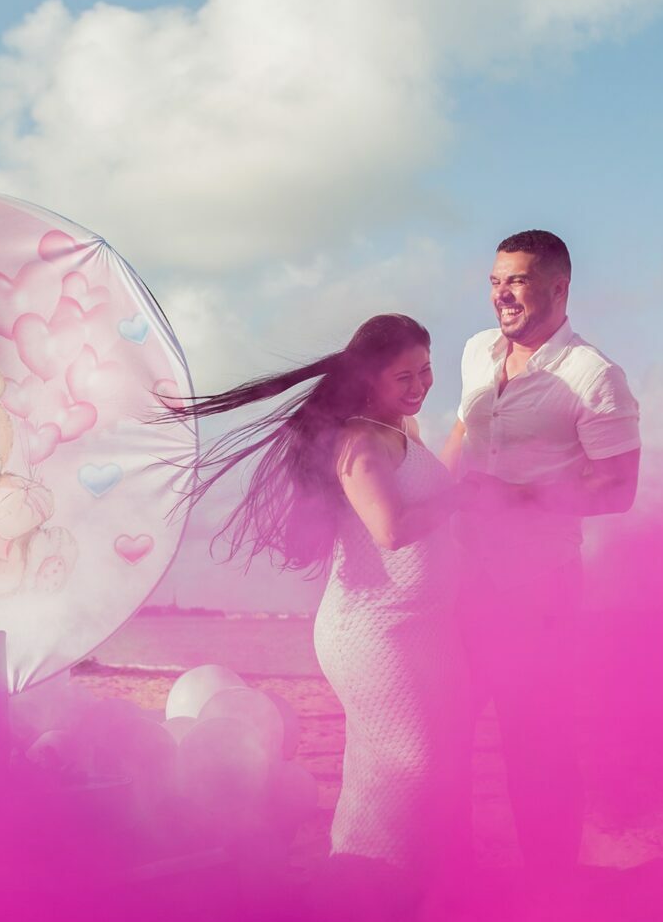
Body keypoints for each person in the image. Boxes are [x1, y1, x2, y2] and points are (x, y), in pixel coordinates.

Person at [166, 314, 474, 870]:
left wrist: (470, 425)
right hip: (373, 631)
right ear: (370, 378)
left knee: (427, 761)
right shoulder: (359, 440)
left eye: (426, 371)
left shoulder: (403, 429)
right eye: (403, 377)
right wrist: (462, 498)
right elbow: (392, 529)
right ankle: (365, 876)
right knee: (410, 763)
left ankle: (410, 880)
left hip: (425, 627)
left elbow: (437, 487)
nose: (419, 386)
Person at [442, 229, 640, 880]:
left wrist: (517, 497)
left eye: (518, 281)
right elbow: (462, 433)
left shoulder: (595, 376)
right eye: (496, 280)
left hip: (539, 588)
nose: (502, 293)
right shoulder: (476, 351)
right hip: (460, 579)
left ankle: (550, 891)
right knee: (444, 734)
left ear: (559, 288)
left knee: (536, 744)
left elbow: (619, 489)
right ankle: (456, 875)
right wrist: (425, 501)